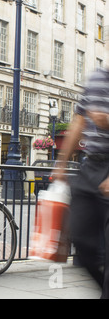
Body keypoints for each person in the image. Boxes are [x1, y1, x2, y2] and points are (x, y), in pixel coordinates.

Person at [55, 68, 109, 299]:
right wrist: (61, 162)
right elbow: (79, 121)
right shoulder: (97, 78)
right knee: (81, 241)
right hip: (90, 167)